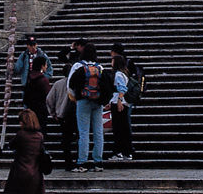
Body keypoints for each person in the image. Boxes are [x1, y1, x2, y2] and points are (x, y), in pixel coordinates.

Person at [1, 108, 49, 194]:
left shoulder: (21, 135)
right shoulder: (39, 136)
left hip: (19, 174)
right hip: (34, 175)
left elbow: (11, 145)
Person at [66, 41, 107, 169]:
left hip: (82, 101)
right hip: (98, 102)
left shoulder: (78, 66)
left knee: (83, 132)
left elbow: (70, 85)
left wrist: (75, 98)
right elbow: (107, 85)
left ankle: (82, 161)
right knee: (98, 131)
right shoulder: (99, 67)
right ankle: (98, 161)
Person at [106, 43, 137, 163]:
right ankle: (126, 152)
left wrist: (118, 101)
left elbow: (122, 89)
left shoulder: (118, 74)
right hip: (122, 103)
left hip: (120, 103)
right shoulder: (124, 73)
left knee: (119, 129)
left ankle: (120, 151)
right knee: (123, 128)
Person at [47, 48, 76, 171]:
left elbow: (49, 99)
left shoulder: (57, 84)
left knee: (66, 140)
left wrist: (52, 112)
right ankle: (78, 161)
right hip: (74, 114)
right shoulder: (76, 85)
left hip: (61, 115)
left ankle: (68, 162)